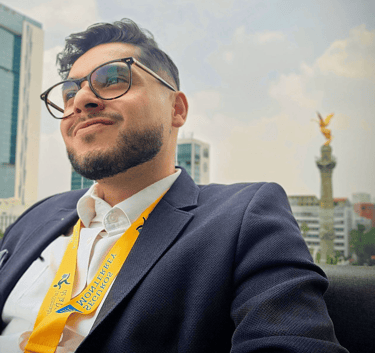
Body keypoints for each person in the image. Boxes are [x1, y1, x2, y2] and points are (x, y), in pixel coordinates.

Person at [0, 19, 348, 353]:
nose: (80, 100)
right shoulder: (36, 217)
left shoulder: (243, 219)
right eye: (69, 92)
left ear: (176, 110)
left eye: (114, 78)